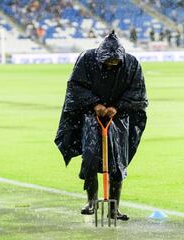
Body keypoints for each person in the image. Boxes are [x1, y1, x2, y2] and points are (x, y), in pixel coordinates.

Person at [54, 31, 148, 221]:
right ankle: (91, 202)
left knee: (117, 162)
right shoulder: (87, 59)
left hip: (119, 118)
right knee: (90, 159)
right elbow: (75, 86)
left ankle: (114, 208)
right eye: (107, 62)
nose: (111, 65)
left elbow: (137, 91)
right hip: (91, 115)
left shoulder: (131, 64)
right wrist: (94, 103)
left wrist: (117, 107)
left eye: (115, 62)